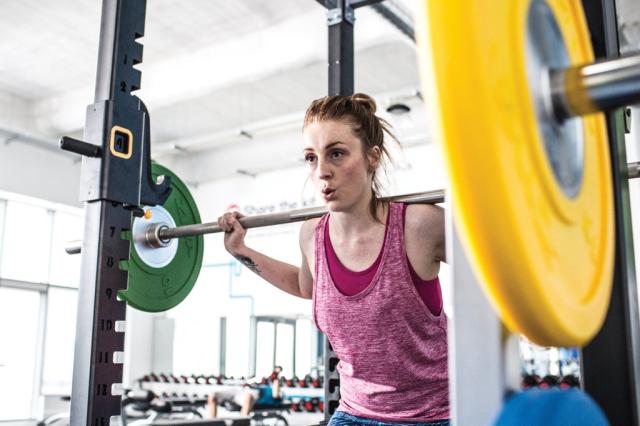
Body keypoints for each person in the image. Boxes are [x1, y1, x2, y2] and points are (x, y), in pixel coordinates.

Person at [218, 93, 449, 425]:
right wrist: (241, 251)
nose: (322, 171)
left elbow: (496, 270)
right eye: (311, 158)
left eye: (336, 154)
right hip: (354, 412)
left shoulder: (419, 225)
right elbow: (304, 286)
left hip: (434, 415)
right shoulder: (312, 234)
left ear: (373, 157)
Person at [207, 366, 282, 417]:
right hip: (240, 390)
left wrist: (276, 379)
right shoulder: (261, 380)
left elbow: (276, 395)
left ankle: (240, 423)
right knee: (212, 395)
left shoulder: (274, 385)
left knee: (248, 397)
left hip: (250, 394)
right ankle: (212, 422)